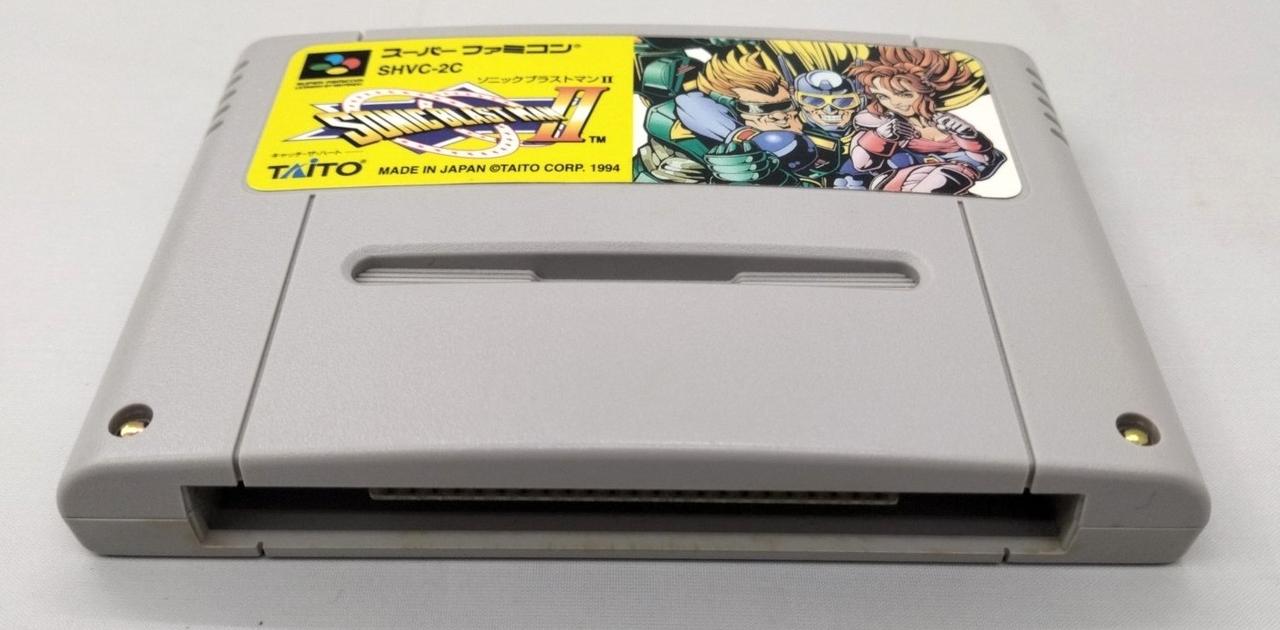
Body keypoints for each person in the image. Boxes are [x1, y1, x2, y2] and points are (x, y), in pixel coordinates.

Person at [847, 47, 1005, 194]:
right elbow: (862, 164)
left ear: (926, 92)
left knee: (946, 176)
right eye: (883, 96)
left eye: (905, 94)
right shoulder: (880, 122)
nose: (894, 103)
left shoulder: (948, 122)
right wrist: (881, 137)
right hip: (897, 182)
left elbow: (983, 161)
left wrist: (968, 136)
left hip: (946, 182)